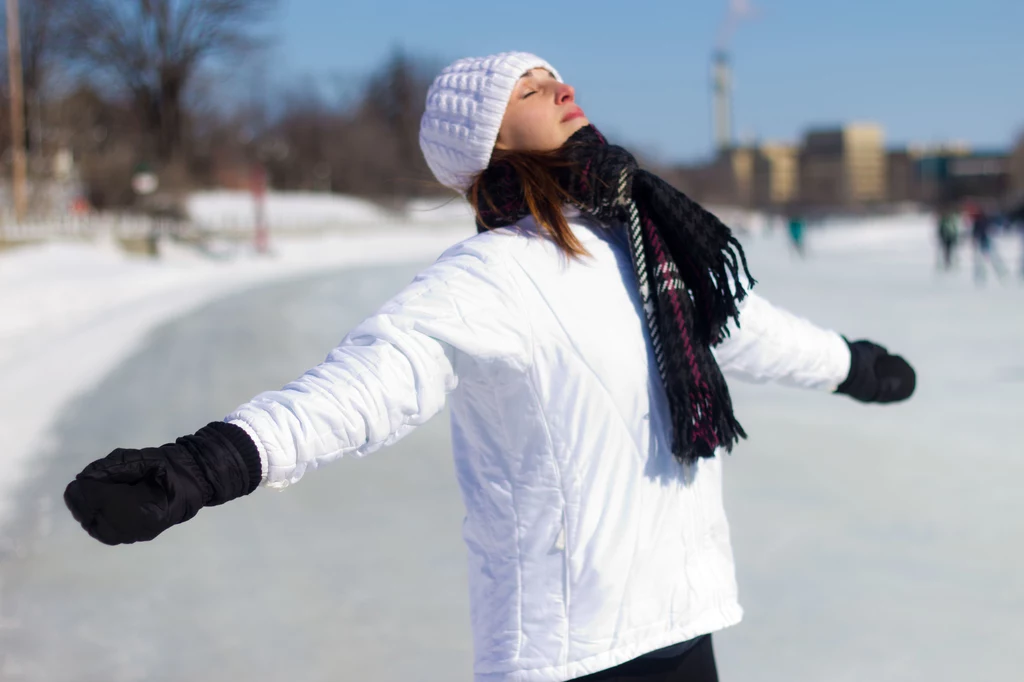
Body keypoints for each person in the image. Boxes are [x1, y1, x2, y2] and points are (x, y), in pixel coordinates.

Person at [63, 53, 916, 682]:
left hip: (685, 624)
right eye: (533, 89)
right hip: (569, 654)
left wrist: (853, 365)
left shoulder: (644, 248)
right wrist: (209, 463)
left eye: (558, 76)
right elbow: (372, 382)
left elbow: (744, 329)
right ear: (488, 140)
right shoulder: (490, 277)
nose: (563, 88)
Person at [966, 200, 1007, 284]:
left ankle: (999, 271)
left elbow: (981, 230)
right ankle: (981, 274)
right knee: (981, 259)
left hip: (985, 240)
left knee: (991, 257)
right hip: (983, 240)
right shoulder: (979, 219)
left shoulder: (981, 218)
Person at [936, 206, 959, 271]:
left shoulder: (951, 221)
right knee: (947, 250)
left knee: (949, 250)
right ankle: (947, 261)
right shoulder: (944, 221)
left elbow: (955, 230)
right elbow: (941, 229)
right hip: (946, 237)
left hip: (950, 237)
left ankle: (949, 261)